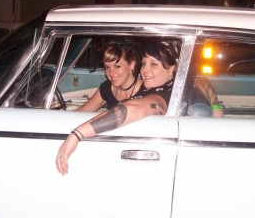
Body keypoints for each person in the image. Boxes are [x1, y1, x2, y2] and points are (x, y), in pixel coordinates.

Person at [56, 41, 224, 175]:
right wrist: (216, 107)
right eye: (144, 63)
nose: (145, 70)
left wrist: (77, 134)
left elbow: (135, 108)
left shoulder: (165, 93)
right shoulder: (155, 86)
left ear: (172, 69)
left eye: (154, 64)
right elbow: (202, 81)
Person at [77, 37, 143, 111]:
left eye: (117, 66)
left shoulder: (146, 91)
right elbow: (81, 112)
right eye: (107, 67)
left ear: (132, 65)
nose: (111, 73)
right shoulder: (107, 88)